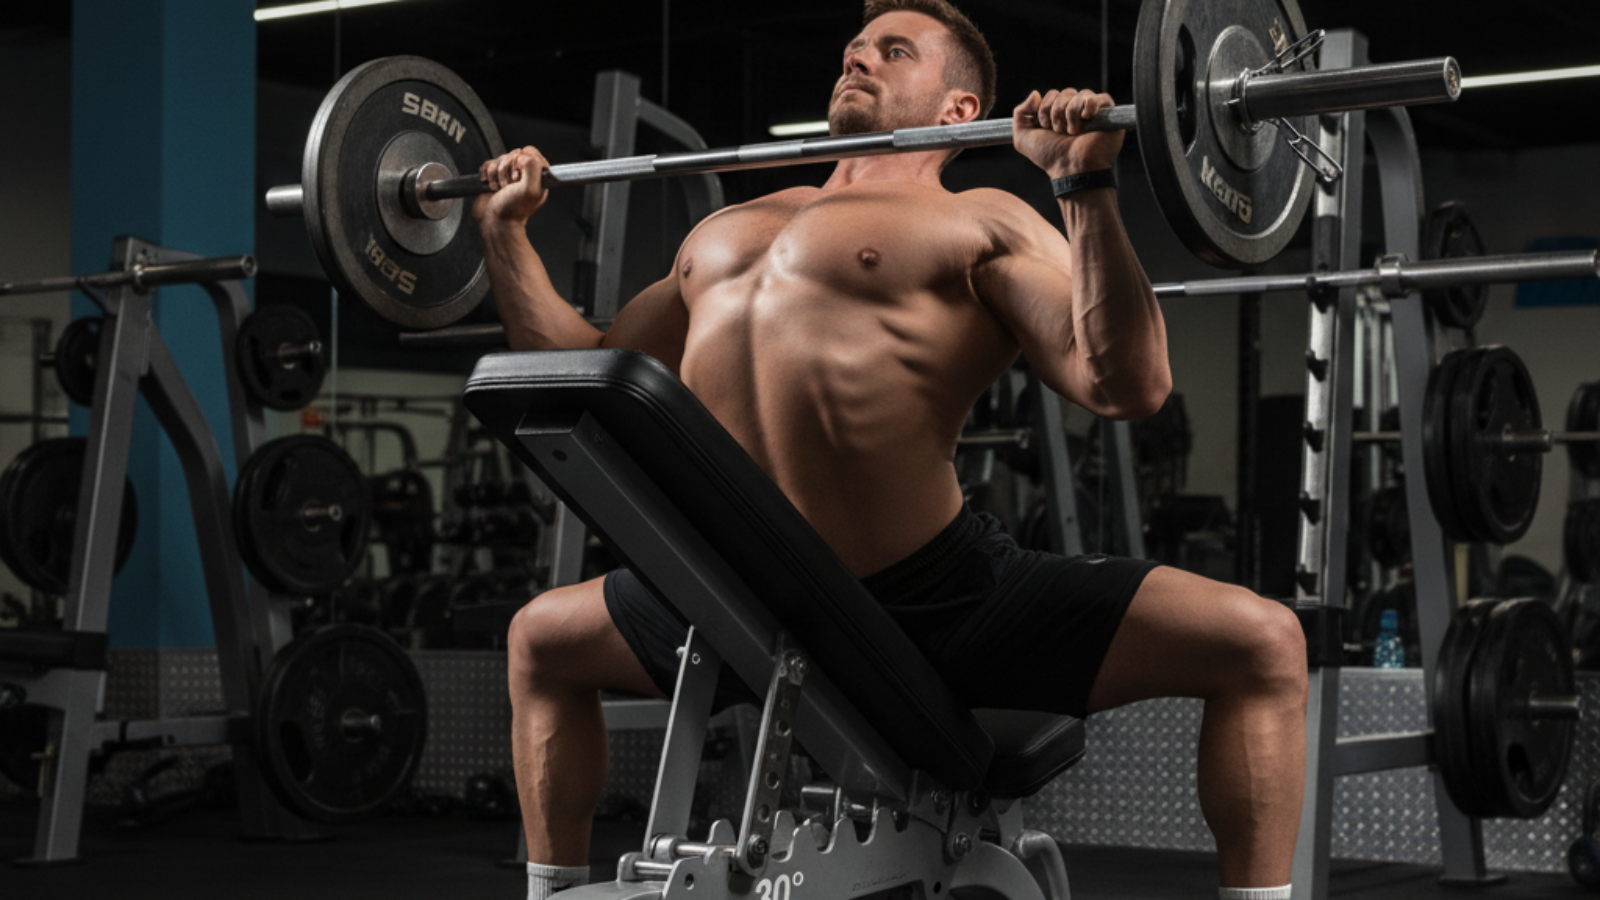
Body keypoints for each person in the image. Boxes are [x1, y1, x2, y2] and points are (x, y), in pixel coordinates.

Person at [471, 2, 1308, 898]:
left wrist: (1082, 185)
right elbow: (585, 367)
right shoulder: (723, 231)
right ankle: (551, 893)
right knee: (542, 639)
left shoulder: (981, 219)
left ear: (958, 109)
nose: (858, 60)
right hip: (729, 591)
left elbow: (1126, 383)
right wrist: (503, 235)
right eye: (854, 49)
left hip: (935, 599)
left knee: (1261, 642)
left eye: (893, 50)